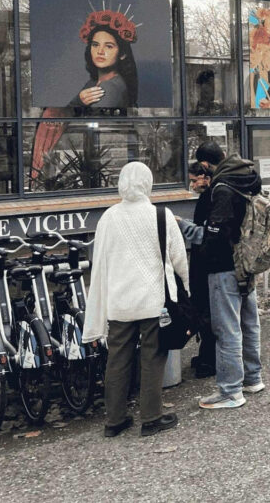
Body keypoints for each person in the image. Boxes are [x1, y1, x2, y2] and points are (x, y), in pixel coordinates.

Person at [83, 162, 189, 438]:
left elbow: (99, 261)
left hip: (119, 302)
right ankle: (151, 417)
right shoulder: (161, 215)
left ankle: (114, 420)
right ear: (148, 183)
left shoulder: (108, 217)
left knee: (117, 359)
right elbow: (179, 259)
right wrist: (188, 288)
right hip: (154, 301)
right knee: (153, 357)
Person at [193, 141, 264, 409]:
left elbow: (217, 231)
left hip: (224, 266)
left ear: (205, 164)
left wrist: (203, 250)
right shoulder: (247, 177)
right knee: (249, 322)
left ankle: (231, 391)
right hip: (247, 261)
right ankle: (253, 378)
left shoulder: (222, 187)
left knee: (227, 329)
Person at [175, 161, 217, 379]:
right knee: (203, 309)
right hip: (204, 262)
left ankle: (209, 361)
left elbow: (203, 232)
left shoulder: (211, 197)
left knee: (206, 312)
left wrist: (182, 224)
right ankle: (206, 356)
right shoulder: (209, 196)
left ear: (205, 177)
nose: (191, 185)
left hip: (206, 262)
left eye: (193, 181)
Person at [69, 9, 140, 109]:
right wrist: (79, 100)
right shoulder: (92, 83)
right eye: (95, 45)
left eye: (109, 46)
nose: (100, 51)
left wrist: (77, 102)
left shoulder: (110, 87)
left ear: (122, 54)